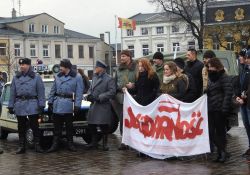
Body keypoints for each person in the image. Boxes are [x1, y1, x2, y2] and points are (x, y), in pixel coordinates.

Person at [8, 58, 45, 154]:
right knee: (21, 127)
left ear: (29, 65)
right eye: (20, 65)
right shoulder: (16, 77)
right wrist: (11, 105)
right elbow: (12, 92)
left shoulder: (36, 77)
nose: (21, 66)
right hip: (20, 104)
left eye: (23, 65)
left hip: (32, 103)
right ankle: (22, 146)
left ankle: (37, 145)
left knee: (34, 126)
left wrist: (41, 105)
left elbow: (41, 92)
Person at [47, 59, 84, 152]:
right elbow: (53, 89)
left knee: (69, 126)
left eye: (61, 66)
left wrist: (77, 105)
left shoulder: (77, 77)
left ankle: (70, 143)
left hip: (68, 104)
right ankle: (55, 144)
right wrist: (50, 101)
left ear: (67, 67)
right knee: (57, 127)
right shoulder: (58, 76)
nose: (60, 68)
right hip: (57, 104)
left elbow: (79, 93)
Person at [85, 60, 116, 151]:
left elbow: (112, 92)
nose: (95, 69)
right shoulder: (94, 77)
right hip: (94, 104)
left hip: (102, 104)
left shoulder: (109, 79)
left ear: (101, 69)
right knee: (91, 124)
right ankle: (94, 143)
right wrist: (89, 95)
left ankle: (104, 144)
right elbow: (90, 88)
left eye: (97, 67)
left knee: (104, 126)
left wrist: (100, 97)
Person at [206, 58, 233, 163]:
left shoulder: (223, 76)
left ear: (216, 66)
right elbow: (211, 90)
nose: (209, 68)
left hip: (220, 109)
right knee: (211, 132)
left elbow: (228, 93)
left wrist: (224, 108)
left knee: (220, 132)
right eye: (208, 66)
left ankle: (221, 153)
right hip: (211, 108)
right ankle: (223, 152)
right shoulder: (211, 77)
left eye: (210, 66)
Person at [113, 50, 137, 150]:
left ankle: (135, 141)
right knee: (123, 120)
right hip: (120, 97)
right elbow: (114, 83)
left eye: (123, 56)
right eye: (121, 56)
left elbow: (139, 81)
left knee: (133, 120)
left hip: (133, 97)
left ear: (129, 57)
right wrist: (119, 89)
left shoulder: (135, 68)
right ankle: (124, 141)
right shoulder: (119, 69)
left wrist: (133, 86)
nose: (121, 58)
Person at [235, 49, 250, 157]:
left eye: (241, 56)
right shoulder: (243, 68)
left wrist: (244, 97)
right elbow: (238, 84)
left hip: (248, 101)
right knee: (247, 125)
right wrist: (237, 96)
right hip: (243, 102)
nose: (239, 58)